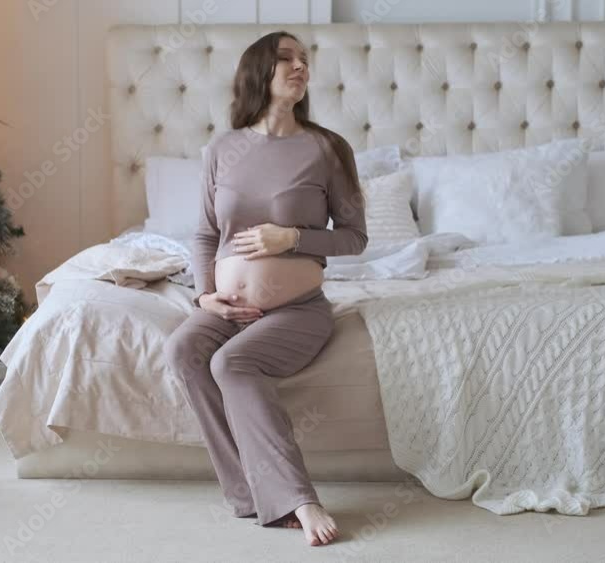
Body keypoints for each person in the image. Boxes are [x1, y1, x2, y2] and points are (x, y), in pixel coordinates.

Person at [163, 31, 368, 547]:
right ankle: (251, 493)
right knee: (184, 348)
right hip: (227, 306)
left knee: (231, 363)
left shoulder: (327, 148)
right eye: (286, 58)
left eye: (305, 59)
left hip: (297, 310)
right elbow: (208, 233)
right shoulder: (222, 148)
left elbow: (354, 237)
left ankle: (297, 497)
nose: (300, 66)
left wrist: (293, 237)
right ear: (259, 70)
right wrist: (204, 295)